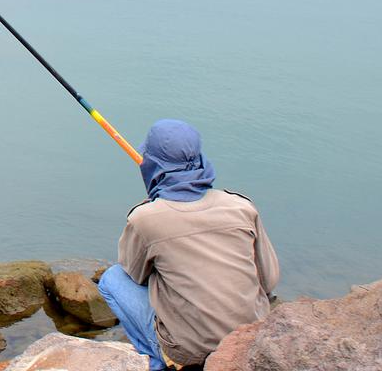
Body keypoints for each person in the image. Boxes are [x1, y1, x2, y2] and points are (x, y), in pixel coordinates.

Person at [97, 119, 279, 370]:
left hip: (189, 351)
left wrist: (154, 205)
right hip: (249, 337)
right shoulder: (241, 207)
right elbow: (269, 280)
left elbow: (134, 275)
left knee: (112, 279)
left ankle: (156, 360)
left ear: (152, 165)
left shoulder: (144, 219)